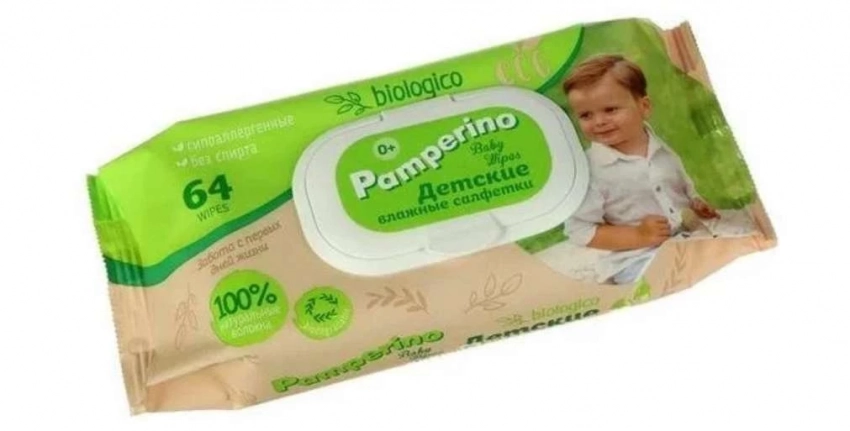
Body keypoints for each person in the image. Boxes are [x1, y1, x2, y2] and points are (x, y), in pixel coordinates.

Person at [562, 54, 718, 285]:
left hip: (684, 239)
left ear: (643, 107)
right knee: (669, 278)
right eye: (586, 115)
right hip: (635, 259)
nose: (599, 121)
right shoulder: (591, 171)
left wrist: (695, 202)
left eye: (610, 109)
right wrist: (638, 235)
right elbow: (579, 229)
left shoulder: (658, 145)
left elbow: (679, 181)